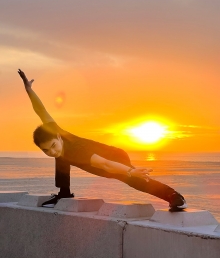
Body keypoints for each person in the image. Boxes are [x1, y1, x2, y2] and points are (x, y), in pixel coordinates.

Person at [18, 69, 187, 211]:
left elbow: (105, 164)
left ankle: (174, 196)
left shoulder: (77, 150)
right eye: (46, 150)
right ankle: (64, 192)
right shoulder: (54, 132)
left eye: (53, 146)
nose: (51, 151)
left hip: (112, 158)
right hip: (100, 158)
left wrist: (129, 171)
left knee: (133, 180)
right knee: (61, 157)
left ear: (58, 136)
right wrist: (29, 90)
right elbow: (41, 110)